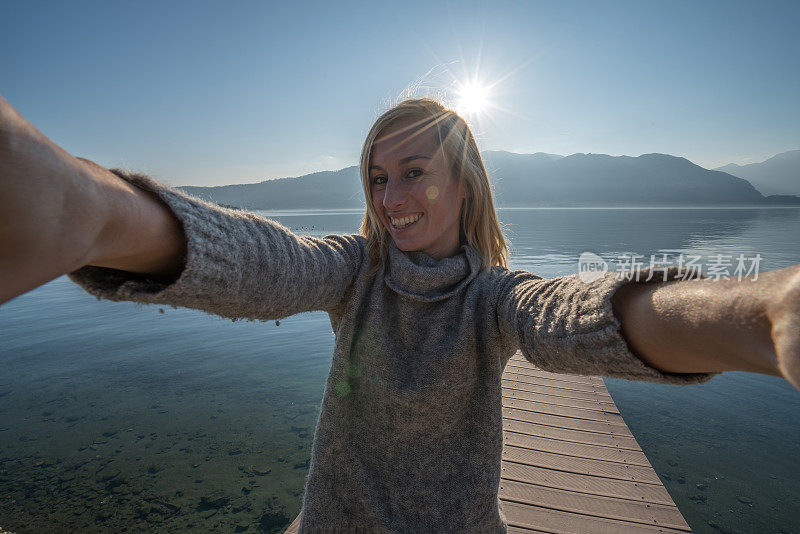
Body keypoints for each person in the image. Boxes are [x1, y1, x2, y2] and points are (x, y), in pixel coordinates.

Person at [1, 95, 798, 533]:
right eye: (377, 179)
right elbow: (267, 263)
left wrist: (759, 314)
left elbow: (571, 314)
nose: (390, 199)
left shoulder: (494, 298)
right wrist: (95, 214)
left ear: (463, 184)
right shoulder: (355, 273)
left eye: (413, 172)